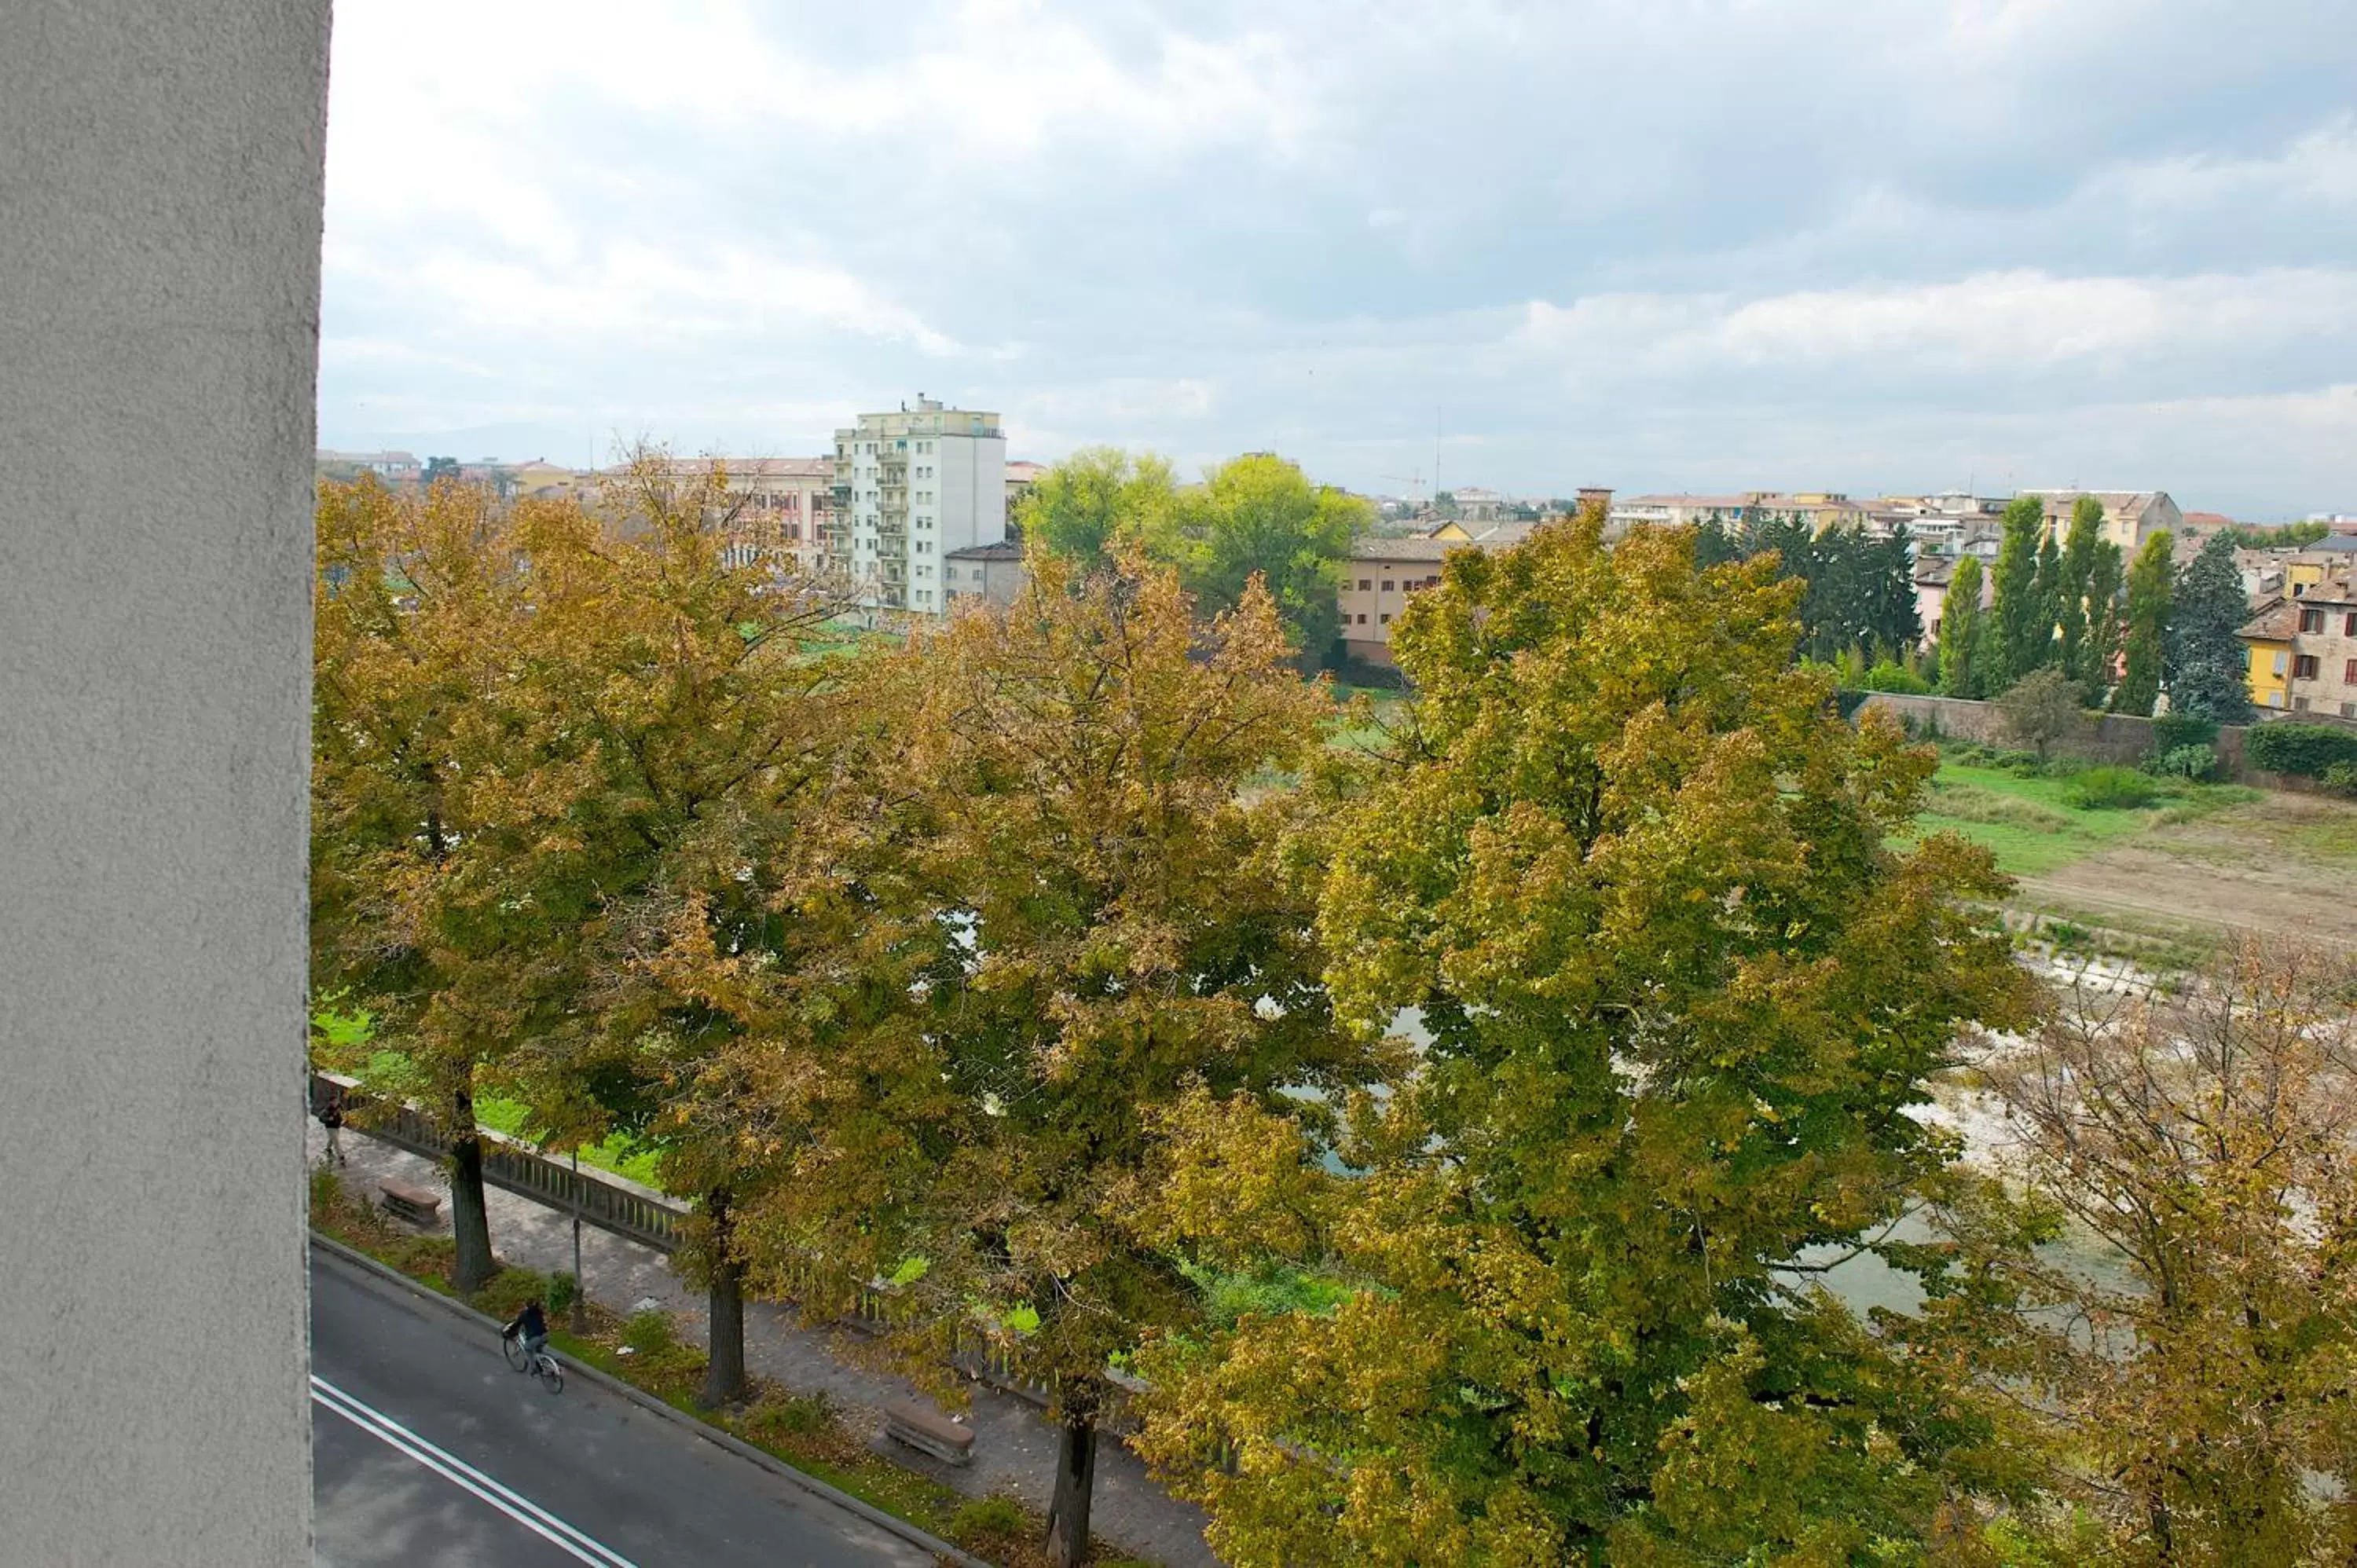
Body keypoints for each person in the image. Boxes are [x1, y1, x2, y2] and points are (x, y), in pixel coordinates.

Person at [504, 1299, 548, 1367]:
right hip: (545, 1335)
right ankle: (543, 1363)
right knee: (537, 1349)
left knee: (527, 1348)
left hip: (536, 1337)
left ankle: (534, 1369)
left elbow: (516, 1325)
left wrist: (508, 1332)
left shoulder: (525, 1314)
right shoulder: (538, 1311)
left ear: (527, 1306)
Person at [317, 1091, 345, 1167]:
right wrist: (328, 1119)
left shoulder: (340, 1106)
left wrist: (343, 1119)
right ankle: (341, 1157)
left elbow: (342, 1113)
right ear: (331, 1102)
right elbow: (320, 1117)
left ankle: (328, 1148)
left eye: (337, 1101)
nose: (336, 1102)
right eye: (334, 1101)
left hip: (337, 1126)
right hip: (330, 1127)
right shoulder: (328, 1109)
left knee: (332, 1139)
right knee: (336, 1142)